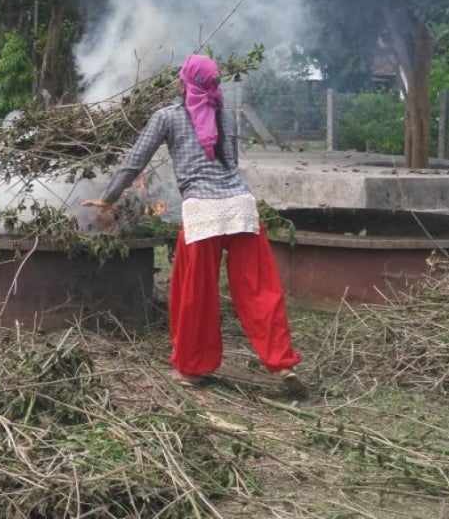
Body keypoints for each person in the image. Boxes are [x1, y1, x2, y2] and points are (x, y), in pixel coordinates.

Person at [83, 54, 306, 394]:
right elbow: (230, 164)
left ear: (184, 83)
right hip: (242, 208)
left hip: (203, 212)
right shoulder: (225, 117)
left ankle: (191, 369)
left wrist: (109, 197)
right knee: (261, 291)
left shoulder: (167, 116)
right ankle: (283, 365)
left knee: (194, 294)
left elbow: (134, 162)